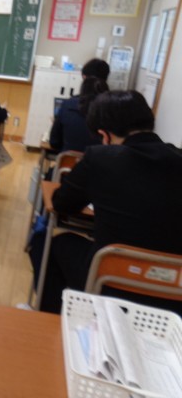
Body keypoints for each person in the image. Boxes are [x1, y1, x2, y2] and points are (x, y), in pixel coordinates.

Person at [39, 91, 182, 314]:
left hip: (110, 283)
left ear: (104, 135)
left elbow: (62, 204)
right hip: (173, 294)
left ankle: (53, 321)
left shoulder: (100, 158)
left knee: (49, 242)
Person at [49, 75, 109, 152]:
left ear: (82, 90)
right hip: (96, 159)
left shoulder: (67, 105)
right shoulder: (108, 114)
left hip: (68, 159)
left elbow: (54, 142)